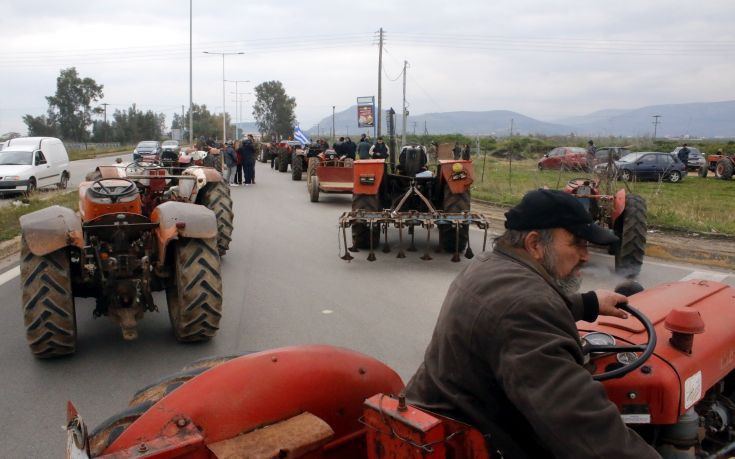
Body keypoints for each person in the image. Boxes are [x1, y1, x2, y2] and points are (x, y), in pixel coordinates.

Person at [405, 189, 659, 459]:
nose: (586, 256)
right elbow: (582, 425)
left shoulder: (490, 264)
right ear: (535, 244)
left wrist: (587, 304)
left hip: (452, 416)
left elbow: (514, 309)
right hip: (481, 442)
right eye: (577, 244)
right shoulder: (525, 307)